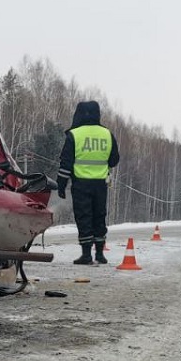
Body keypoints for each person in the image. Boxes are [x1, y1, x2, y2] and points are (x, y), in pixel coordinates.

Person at [56, 100, 119, 265]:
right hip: (100, 184)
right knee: (99, 216)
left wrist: (61, 185)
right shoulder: (107, 134)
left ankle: (86, 254)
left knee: (84, 217)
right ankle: (100, 253)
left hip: (81, 184)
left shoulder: (74, 135)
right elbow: (114, 160)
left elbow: (66, 164)